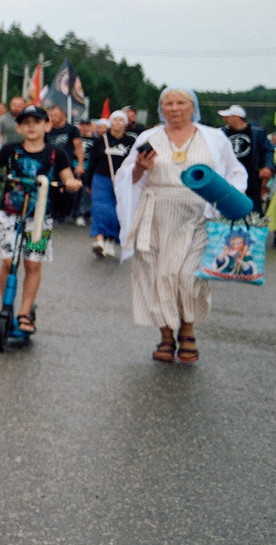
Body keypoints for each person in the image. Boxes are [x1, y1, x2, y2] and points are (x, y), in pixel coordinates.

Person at [117, 87, 246, 365]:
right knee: (159, 276)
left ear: (192, 107)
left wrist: (229, 203)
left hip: (199, 216)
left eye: (180, 103)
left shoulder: (214, 138)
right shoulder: (148, 137)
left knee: (190, 276)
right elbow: (127, 177)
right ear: (161, 109)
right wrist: (140, 168)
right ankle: (166, 335)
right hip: (155, 215)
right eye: (168, 104)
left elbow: (235, 172)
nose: (174, 108)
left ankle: (187, 329)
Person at [0, 104, 79, 339]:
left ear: (47, 126)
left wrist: (71, 183)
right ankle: (6, 306)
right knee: (8, 261)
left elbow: (67, 176)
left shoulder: (57, 153)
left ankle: (25, 312)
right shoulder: (10, 150)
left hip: (40, 217)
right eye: (26, 123)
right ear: (18, 128)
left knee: (33, 264)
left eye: (37, 122)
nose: (31, 126)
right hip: (10, 213)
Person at [86, 109, 134, 257]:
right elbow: (92, 162)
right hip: (101, 179)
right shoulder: (101, 140)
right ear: (110, 122)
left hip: (122, 181)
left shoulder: (130, 142)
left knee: (116, 211)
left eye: (121, 120)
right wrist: (88, 182)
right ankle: (99, 240)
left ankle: (111, 241)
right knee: (100, 209)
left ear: (125, 123)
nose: (118, 123)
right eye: (115, 119)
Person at [218, 105, 270, 215]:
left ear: (237, 117)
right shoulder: (221, 133)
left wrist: (268, 167)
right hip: (227, 176)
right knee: (227, 205)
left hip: (251, 177)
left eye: (227, 117)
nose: (224, 119)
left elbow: (268, 150)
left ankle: (253, 224)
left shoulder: (256, 133)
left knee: (253, 208)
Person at [43, 105, 85, 226]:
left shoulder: (72, 130)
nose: (53, 117)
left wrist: (80, 164)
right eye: (51, 115)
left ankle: (63, 213)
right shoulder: (48, 129)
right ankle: (51, 212)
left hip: (65, 164)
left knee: (65, 189)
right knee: (50, 189)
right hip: (49, 164)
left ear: (63, 114)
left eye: (55, 115)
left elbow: (78, 147)